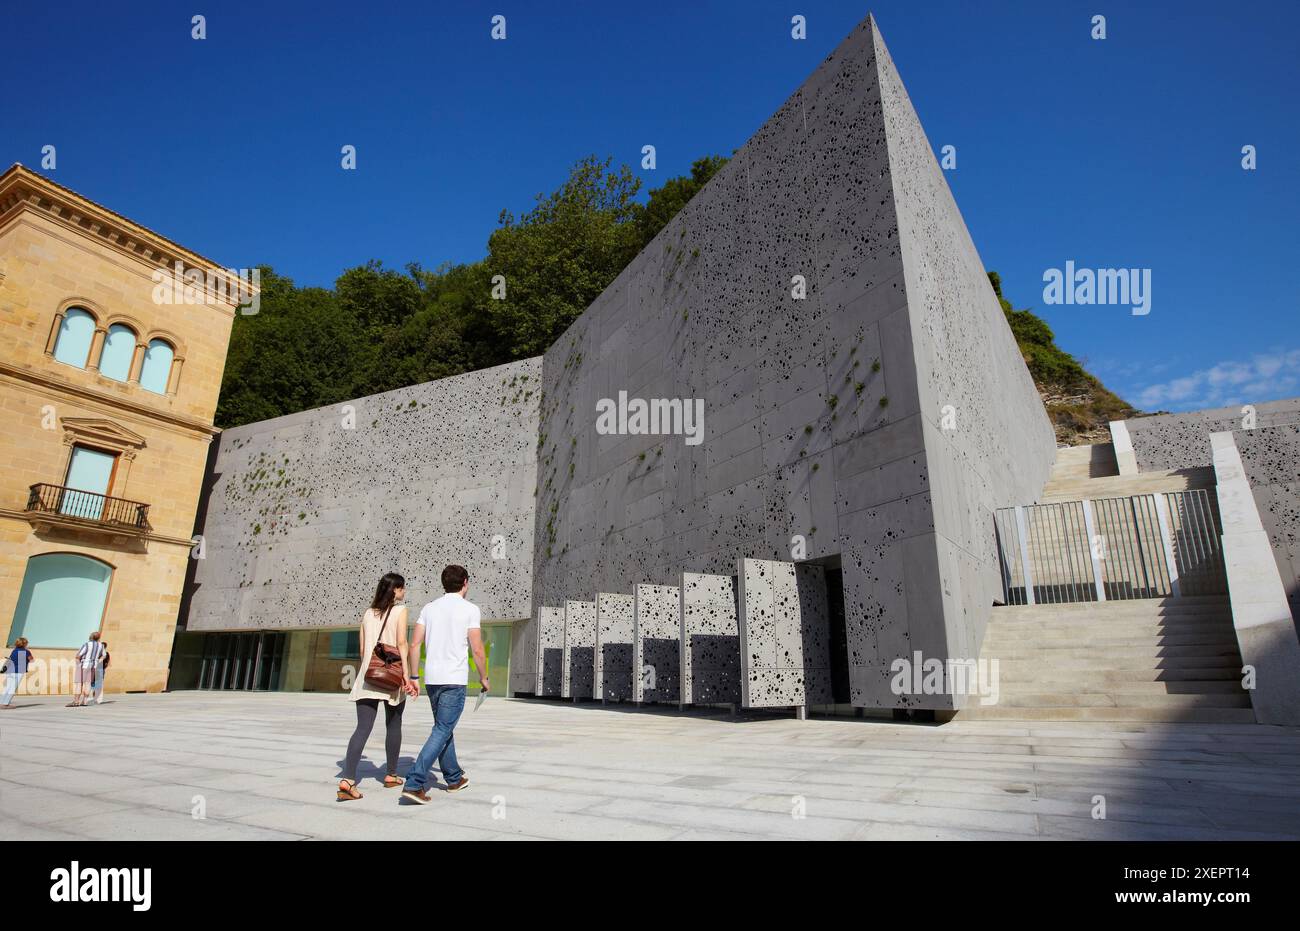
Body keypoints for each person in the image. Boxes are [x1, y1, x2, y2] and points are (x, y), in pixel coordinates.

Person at [401, 565, 488, 804]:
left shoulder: (429, 609)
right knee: (441, 729)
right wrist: (484, 677)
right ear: (465, 583)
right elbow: (477, 649)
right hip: (454, 679)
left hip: (432, 679)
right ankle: (414, 782)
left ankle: (453, 778)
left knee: (443, 727)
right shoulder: (470, 609)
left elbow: (414, 645)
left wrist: (414, 676)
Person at [337, 572, 419, 801]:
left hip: (368, 674)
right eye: (402, 588)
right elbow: (402, 642)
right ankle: (391, 775)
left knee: (362, 728)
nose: (404, 592)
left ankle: (348, 779)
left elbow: (364, 651)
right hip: (392, 674)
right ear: (395, 590)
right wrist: (407, 674)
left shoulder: (366, 614)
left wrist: (370, 668)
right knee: (394, 724)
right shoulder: (401, 611)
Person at [69, 632, 104, 707]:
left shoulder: (87, 644)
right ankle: (84, 702)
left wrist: (78, 665)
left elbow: (78, 656)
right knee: (88, 684)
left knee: (79, 683)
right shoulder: (101, 645)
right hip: (93, 666)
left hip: (83, 665)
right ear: (98, 638)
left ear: (90, 637)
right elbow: (103, 656)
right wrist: (97, 662)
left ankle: (76, 701)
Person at [1, 638, 33, 709]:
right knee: (12, 687)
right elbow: (32, 660)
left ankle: (1, 702)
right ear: (24, 644)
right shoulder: (26, 652)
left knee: (7, 687)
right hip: (19, 671)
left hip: (10, 670)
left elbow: (9, 660)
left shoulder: (14, 651)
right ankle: (5, 704)